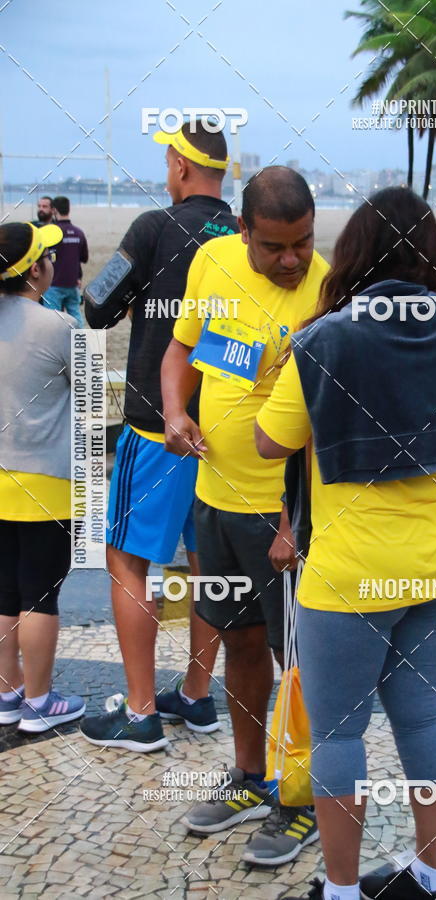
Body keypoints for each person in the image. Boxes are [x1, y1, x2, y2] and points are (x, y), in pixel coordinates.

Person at [254, 186, 436, 900]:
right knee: (422, 715)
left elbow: (270, 442)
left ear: (352, 250)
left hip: (349, 576)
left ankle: (340, 889)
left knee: (338, 736)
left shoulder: (325, 340)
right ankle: (432, 873)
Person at [161, 166, 329, 864]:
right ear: (242, 233)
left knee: (301, 661)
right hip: (214, 499)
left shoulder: (328, 288)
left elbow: (326, 421)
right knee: (240, 644)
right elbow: (181, 349)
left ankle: (303, 800)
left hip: (281, 516)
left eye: (303, 242)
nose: (292, 259)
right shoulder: (212, 261)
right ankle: (249, 775)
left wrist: (296, 519)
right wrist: (174, 411)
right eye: (274, 247)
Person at [79, 120, 237, 753]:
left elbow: (95, 304)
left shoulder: (151, 228)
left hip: (157, 426)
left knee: (126, 559)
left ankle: (141, 712)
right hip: (222, 428)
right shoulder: (240, 234)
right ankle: (196, 697)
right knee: (208, 568)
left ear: (179, 166)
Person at [0, 222, 86, 732]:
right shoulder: (58, 327)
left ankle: (8, 693)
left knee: (4, 594)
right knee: (40, 595)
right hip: (48, 483)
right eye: (47, 255)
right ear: (35, 269)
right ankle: (39, 701)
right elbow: (96, 396)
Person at [42, 196, 88, 328]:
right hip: (72, 282)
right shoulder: (78, 233)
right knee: (76, 316)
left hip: (54, 283)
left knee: (53, 319)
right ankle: (81, 344)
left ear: (54, 210)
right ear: (69, 209)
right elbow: (83, 258)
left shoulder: (51, 232)